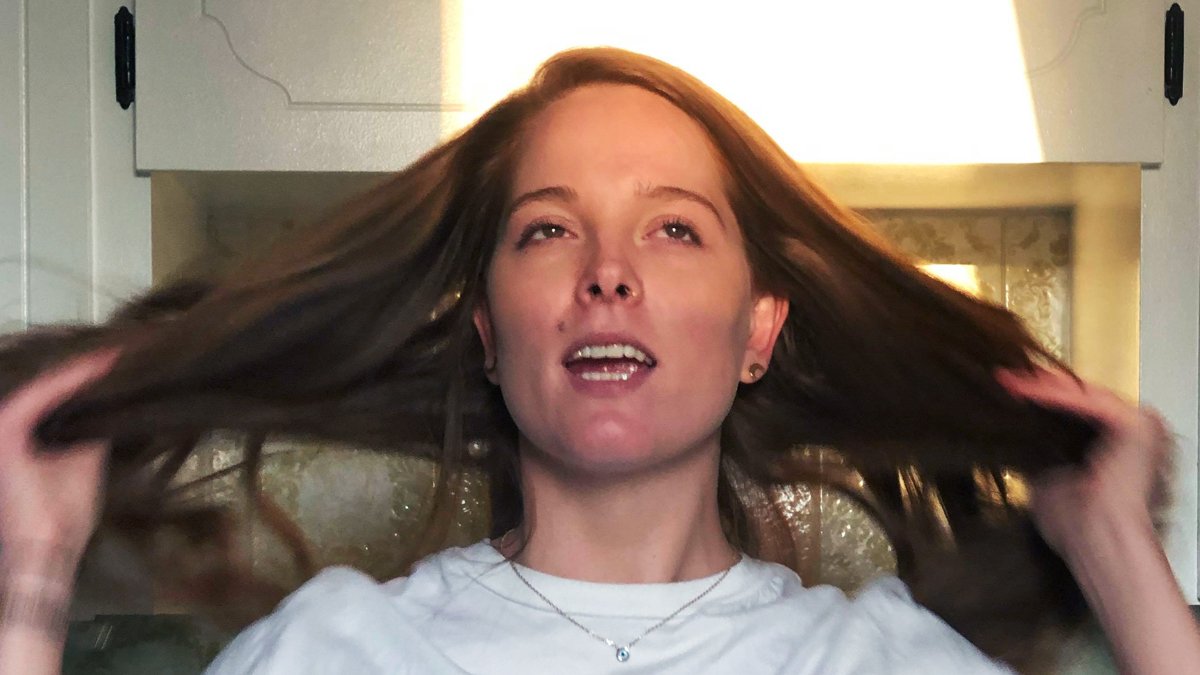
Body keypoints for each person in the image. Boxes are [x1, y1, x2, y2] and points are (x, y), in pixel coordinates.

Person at [1, 47, 1197, 675]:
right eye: (547, 230)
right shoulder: (334, 653)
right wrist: (32, 572)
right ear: (488, 332)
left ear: (759, 331)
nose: (608, 271)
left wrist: (1113, 547)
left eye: (674, 229)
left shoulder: (876, 662)